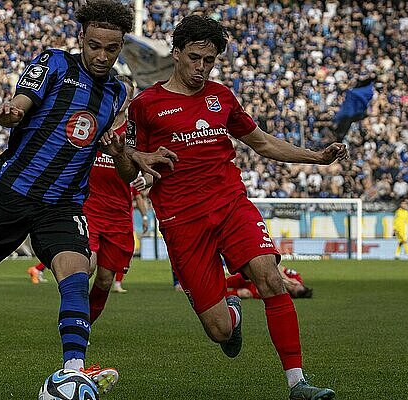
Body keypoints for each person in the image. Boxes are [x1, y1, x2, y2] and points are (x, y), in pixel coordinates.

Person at [0, 1, 173, 394]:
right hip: (12, 192)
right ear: (81, 39)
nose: (102, 56)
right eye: (94, 46)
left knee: (75, 272)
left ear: (120, 47)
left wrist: (129, 154)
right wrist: (11, 112)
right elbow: (23, 100)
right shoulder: (54, 64)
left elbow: (108, 151)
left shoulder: (117, 93)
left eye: (111, 49)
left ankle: (74, 368)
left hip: (63, 203)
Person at [105, 15, 347, 400]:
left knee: (269, 275)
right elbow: (128, 168)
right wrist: (128, 154)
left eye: (210, 60)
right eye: (194, 58)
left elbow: (263, 143)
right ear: (177, 53)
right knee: (219, 330)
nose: (201, 68)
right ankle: (231, 313)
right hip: (181, 219)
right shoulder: (146, 105)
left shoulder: (222, 98)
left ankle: (298, 383)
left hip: (230, 204)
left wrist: (316, 157)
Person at [86, 75, 148, 321]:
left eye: (125, 93)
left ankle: (85, 322)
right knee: (85, 267)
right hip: (87, 207)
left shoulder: (134, 133)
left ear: (130, 98)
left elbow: (147, 165)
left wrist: (146, 178)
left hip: (119, 213)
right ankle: (74, 323)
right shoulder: (94, 124)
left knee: (104, 278)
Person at [227, 266, 313, 300]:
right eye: (296, 284)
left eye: (293, 289)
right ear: (300, 283)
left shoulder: (284, 294)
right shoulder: (295, 276)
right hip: (253, 278)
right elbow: (277, 266)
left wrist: (283, 282)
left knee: (244, 294)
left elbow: (260, 293)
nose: (292, 285)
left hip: (257, 287)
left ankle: (223, 295)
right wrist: (286, 278)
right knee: (228, 282)